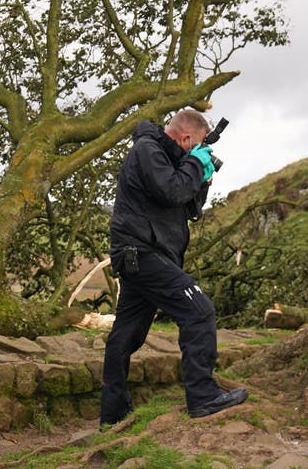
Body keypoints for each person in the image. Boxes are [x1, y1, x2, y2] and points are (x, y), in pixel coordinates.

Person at [99, 109, 248, 426]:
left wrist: (203, 176)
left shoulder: (167, 158)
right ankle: (203, 397)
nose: (196, 153)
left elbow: (189, 205)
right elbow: (172, 190)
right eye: (195, 147)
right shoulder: (147, 149)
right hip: (141, 252)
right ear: (186, 138)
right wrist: (195, 163)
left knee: (125, 337)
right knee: (199, 311)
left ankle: (112, 416)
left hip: (149, 256)